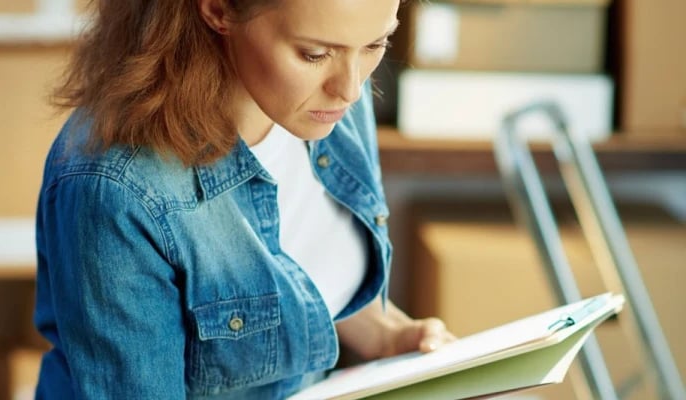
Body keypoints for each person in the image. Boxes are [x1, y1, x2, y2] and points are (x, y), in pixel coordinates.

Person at [33, 0, 456, 398]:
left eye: (375, 44)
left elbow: (298, 274)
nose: (350, 88)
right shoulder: (116, 187)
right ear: (219, 10)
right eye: (313, 54)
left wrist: (388, 336)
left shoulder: (330, 105)